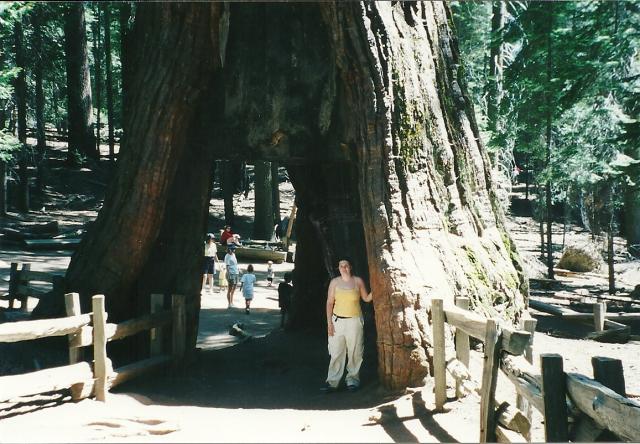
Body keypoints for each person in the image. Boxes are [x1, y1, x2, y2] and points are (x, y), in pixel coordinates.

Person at [321, 258, 372, 393]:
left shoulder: (358, 281)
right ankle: (332, 382)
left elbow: (366, 298)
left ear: (351, 267)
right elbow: (329, 303)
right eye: (341, 266)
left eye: (346, 265)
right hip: (337, 321)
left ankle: (353, 380)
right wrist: (329, 323)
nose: (344, 268)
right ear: (338, 268)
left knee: (355, 351)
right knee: (336, 351)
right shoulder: (334, 282)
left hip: (354, 321)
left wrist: (378, 288)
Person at [224, 244, 239, 308]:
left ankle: (232, 302)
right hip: (231, 273)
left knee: (234, 288)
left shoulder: (233, 255)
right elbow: (227, 266)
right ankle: (229, 303)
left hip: (236, 273)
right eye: (233, 249)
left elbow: (235, 263)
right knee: (230, 289)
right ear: (229, 249)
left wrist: (238, 270)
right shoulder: (227, 256)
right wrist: (228, 274)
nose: (234, 250)